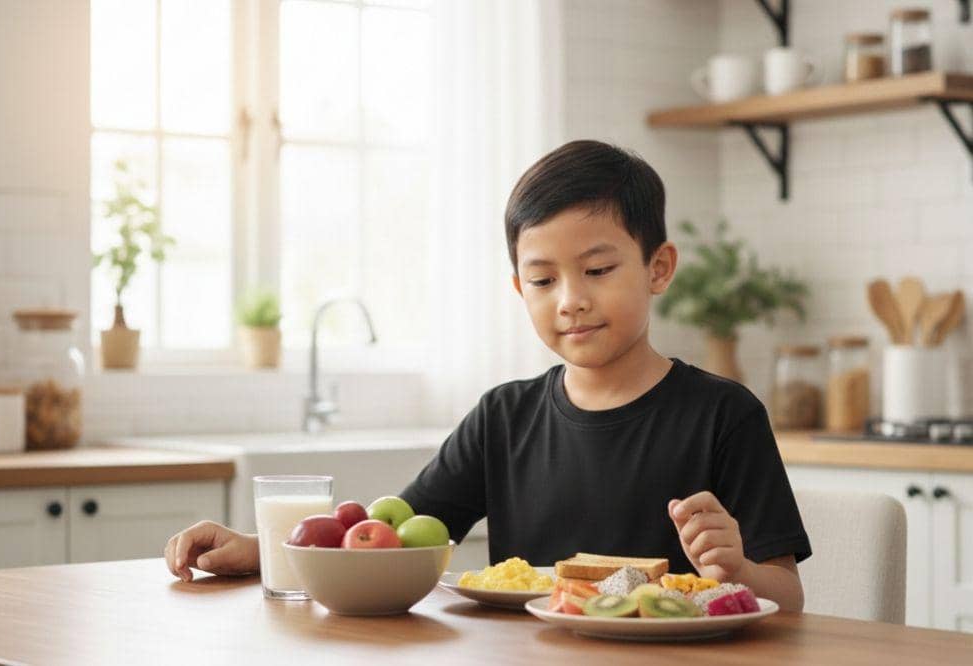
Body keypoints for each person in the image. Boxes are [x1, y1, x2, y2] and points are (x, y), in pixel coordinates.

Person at [164, 140, 810, 611]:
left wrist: (737, 570)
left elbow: (787, 595)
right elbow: (390, 540)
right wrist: (264, 548)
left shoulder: (725, 415)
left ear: (658, 268)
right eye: (543, 280)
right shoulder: (504, 417)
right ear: (519, 288)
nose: (570, 300)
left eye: (597, 270)